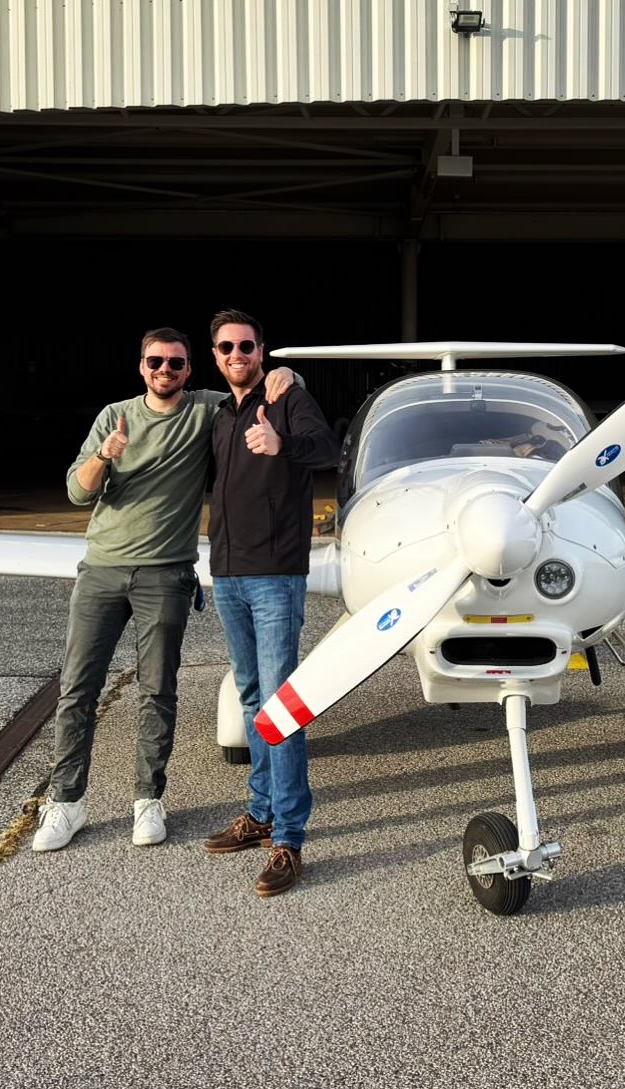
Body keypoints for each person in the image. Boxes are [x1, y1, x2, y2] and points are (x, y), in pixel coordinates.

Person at [32, 327, 297, 853]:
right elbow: (77, 492)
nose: (165, 370)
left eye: (176, 363)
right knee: (77, 690)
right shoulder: (115, 416)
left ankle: (148, 799)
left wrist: (287, 373)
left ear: (189, 370)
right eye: (156, 361)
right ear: (142, 366)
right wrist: (104, 455)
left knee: (157, 691)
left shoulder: (205, 410)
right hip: (102, 571)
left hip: (166, 574)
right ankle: (66, 802)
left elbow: (259, 390)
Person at [202, 309, 340, 897]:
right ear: (216, 355)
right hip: (229, 573)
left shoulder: (286, 399)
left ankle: (288, 838)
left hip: (275, 575)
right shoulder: (218, 413)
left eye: (247, 346)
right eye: (227, 347)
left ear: (263, 351)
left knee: (282, 704)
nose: (237, 355)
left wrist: (283, 443)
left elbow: (327, 448)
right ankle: (260, 813)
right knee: (253, 696)